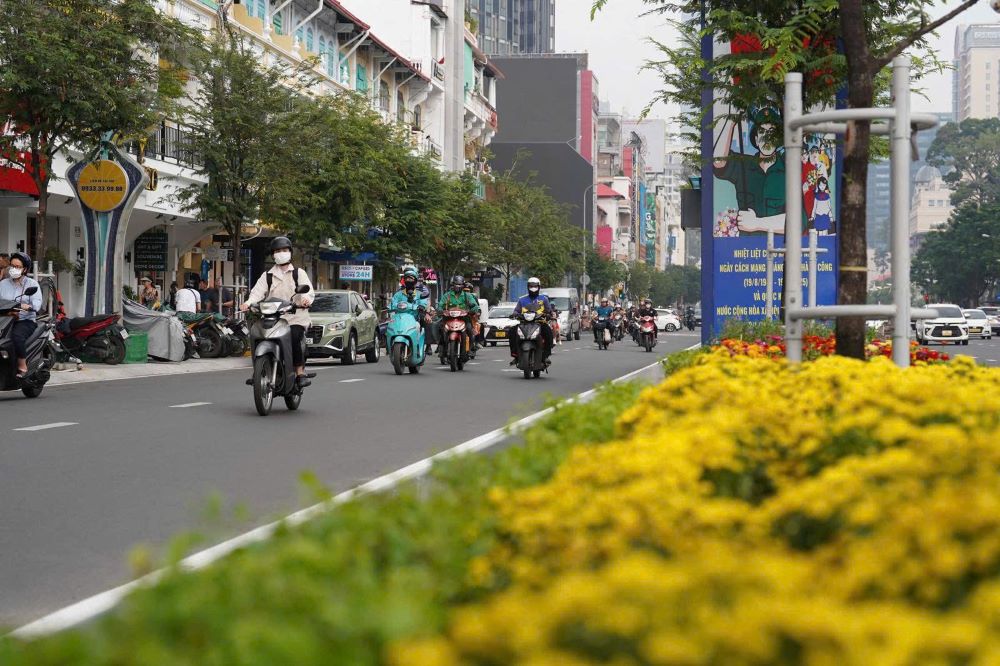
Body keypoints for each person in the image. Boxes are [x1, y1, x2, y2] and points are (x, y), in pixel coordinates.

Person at [241, 236, 314, 387]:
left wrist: (306, 300)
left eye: (284, 250)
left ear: (290, 252)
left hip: (295, 317)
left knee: (294, 336)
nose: (281, 253)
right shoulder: (267, 275)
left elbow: (307, 291)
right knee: (257, 334)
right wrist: (247, 303)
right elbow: (256, 293)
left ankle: (299, 372)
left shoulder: (298, 273)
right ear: (273, 254)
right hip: (273, 318)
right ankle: (258, 371)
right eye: (278, 250)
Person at [0, 252, 43, 377]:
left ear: (24, 269)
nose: (14, 269)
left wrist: (28, 306)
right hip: (5, 319)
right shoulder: (3, 284)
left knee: (17, 336)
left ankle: (22, 364)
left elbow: (36, 303)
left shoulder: (32, 284)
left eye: (18, 267)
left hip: (24, 321)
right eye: (12, 266)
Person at [510, 276, 554, 364]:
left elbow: (549, 310)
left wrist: (549, 315)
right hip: (524, 324)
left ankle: (545, 355)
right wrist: (514, 314)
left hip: (540, 323)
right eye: (531, 286)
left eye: (535, 286)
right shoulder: (522, 300)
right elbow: (516, 310)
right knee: (512, 331)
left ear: (539, 287)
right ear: (528, 287)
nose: (533, 288)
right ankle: (515, 354)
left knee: (549, 333)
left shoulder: (544, 299)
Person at [436, 275, 480, 359]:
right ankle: (442, 348)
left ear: (463, 285)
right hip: (448, 319)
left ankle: (471, 349)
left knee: (470, 330)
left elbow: (475, 306)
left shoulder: (467, 296)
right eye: (456, 284)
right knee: (441, 329)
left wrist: (472, 310)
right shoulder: (447, 295)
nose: (458, 286)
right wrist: (441, 310)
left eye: (460, 284)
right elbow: (440, 305)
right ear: (453, 285)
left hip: (464, 319)